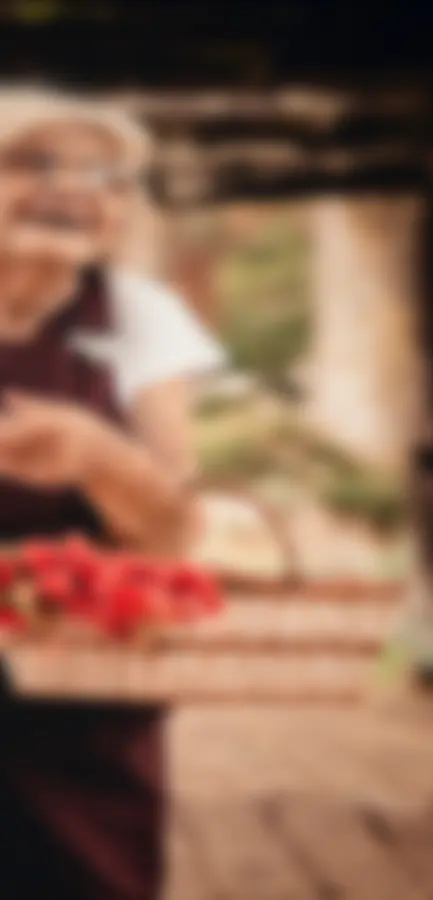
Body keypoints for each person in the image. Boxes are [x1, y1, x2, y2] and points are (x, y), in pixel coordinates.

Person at [0, 87, 225, 898]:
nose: (75, 190)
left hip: (86, 685)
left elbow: (173, 533)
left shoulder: (137, 318)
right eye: (37, 163)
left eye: (105, 174)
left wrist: (99, 459)